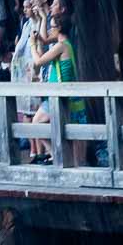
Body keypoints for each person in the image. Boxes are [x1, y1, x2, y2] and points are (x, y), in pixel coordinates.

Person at [28, 12, 83, 166]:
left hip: (58, 95)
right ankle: (58, 155)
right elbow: (42, 52)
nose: (50, 30)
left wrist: (32, 43)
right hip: (56, 94)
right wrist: (39, 40)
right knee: (41, 125)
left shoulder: (61, 46)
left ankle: (56, 154)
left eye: (52, 27)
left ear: (59, 28)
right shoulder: (66, 44)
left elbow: (38, 61)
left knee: (36, 125)